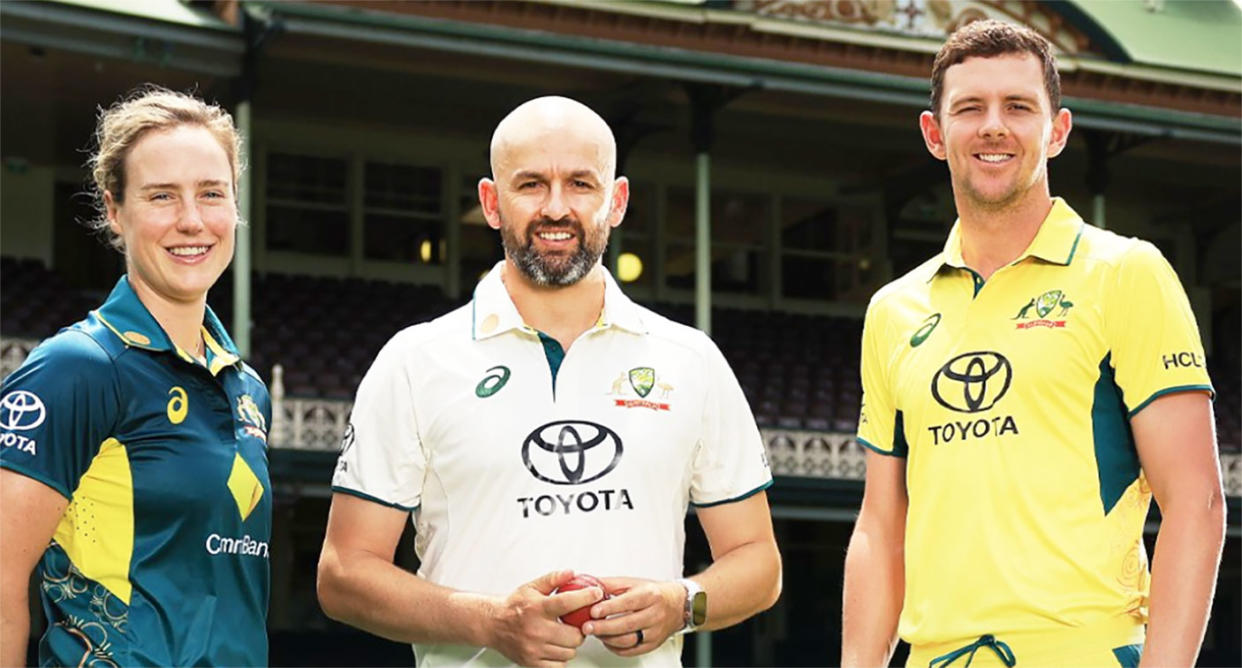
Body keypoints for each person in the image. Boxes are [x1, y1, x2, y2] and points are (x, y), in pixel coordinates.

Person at [317, 96, 782, 667]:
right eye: (531, 184)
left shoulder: (691, 359)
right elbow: (343, 573)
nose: (556, 208)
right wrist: (492, 621)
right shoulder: (416, 360)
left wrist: (679, 602)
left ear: (617, 201)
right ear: (492, 202)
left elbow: (759, 563)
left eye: (581, 185)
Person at [841, 19, 1226, 668]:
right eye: (970, 108)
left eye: (1018, 107)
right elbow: (881, 527)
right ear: (935, 135)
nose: (994, 126)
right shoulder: (892, 311)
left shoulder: (1125, 273)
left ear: (1058, 130)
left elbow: (1196, 501)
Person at [0, 88, 271, 667]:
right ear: (115, 212)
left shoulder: (248, 390)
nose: (192, 220)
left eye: (211, 194)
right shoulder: (76, 369)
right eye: (162, 196)